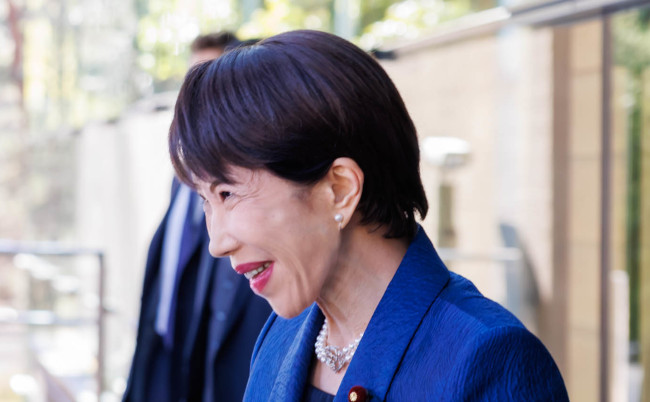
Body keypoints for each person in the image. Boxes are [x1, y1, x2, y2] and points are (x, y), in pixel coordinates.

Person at [168, 30, 569, 401]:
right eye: (205, 200)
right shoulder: (281, 336)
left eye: (227, 193)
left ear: (339, 190)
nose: (217, 243)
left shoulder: (488, 359)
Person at [123, 32, 271, 402]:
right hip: (163, 353)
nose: (193, 99)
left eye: (208, 82)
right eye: (190, 83)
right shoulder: (181, 183)